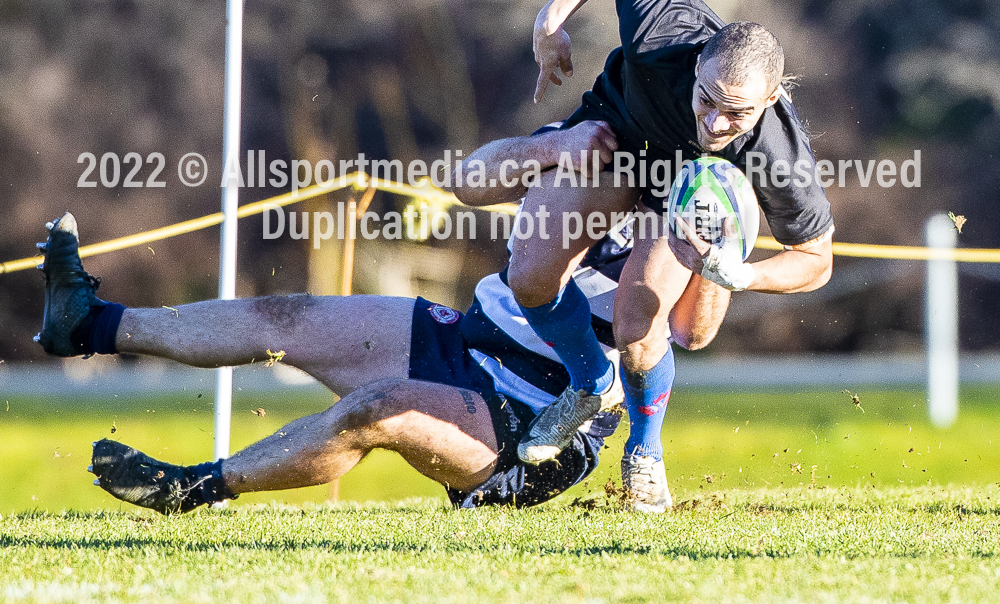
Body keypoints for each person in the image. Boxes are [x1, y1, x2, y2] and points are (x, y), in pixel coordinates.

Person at [35, 125, 727, 515]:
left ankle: (190, 487)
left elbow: (692, 333)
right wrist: (554, 145)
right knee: (287, 316)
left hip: (537, 420)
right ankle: (88, 324)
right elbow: (472, 179)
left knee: (381, 409)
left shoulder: (695, 198)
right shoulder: (592, 139)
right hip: (467, 336)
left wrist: (722, 261)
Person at [492, 0, 835, 508]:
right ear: (698, 63)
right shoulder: (662, 31)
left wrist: (746, 274)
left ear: (771, 100)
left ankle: (644, 452)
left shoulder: (777, 154)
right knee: (527, 275)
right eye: (708, 100)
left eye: (739, 113)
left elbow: (817, 260)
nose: (717, 123)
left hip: (683, 192)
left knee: (638, 322)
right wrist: (550, 20)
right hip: (612, 143)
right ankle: (587, 386)